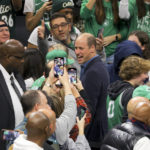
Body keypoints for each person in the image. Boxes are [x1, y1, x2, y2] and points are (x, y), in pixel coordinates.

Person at [75, 33, 109, 149]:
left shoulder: (93, 72)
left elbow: (88, 109)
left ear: (92, 48)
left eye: (81, 48)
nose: (77, 52)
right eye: (75, 48)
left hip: (93, 136)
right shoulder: (94, 67)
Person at [107, 56, 150, 129]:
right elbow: (128, 123)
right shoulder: (130, 93)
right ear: (135, 73)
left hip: (111, 135)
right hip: (122, 137)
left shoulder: (111, 88)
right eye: (145, 73)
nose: (146, 77)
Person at [0, 39, 26, 150]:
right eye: (19, 58)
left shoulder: (17, 76)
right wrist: (14, 135)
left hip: (23, 144)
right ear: (7, 57)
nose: (23, 61)